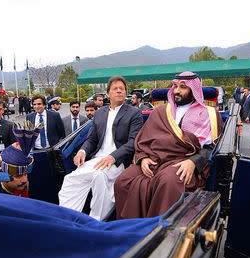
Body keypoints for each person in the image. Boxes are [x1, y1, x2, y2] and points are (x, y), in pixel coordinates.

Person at [114, 71, 223, 219]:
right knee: (123, 181)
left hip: (182, 161)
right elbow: (143, 139)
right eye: (175, 86)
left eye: (183, 87)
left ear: (194, 89)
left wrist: (193, 162)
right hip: (153, 159)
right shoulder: (160, 111)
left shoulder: (209, 114)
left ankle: (159, 234)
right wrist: (143, 158)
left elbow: (212, 148)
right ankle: (128, 228)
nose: (177, 91)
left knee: (168, 182)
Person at [58, 76, 143, 220]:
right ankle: (67, 219)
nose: (119, 91)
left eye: (122, 89)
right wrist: (82, 151)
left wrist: (113, 156)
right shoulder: (100, 113)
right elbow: (92, 139)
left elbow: (133, 142)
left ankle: (96, 221)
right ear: (108, 94)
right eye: (115, 89)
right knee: (70, 179)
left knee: (99, 176)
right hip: (97, 160)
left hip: (118, 161)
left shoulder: (134, 114)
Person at [0, 122, 43, 197]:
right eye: (18, 176)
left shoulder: (28, 187)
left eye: (25, 174)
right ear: (4, 175)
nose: (24, 180)